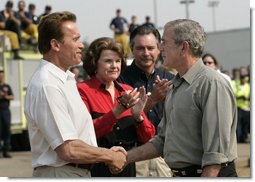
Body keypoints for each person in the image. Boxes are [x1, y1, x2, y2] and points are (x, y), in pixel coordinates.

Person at [118, 19, 238, 177]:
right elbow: (162, 140)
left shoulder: (211, 83)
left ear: (183, 47)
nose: (160, 48)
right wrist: (124, 157)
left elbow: (215, 157)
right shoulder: (175, 86)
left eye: (164, 42)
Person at [24, 11, 127, 177]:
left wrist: (102, 153)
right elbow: (68, 149)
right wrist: (109, 156)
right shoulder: (48, 85)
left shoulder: (64, 80)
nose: (81, 45)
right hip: (62, 173)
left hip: (72, 172)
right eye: (75, 39)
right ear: (55, 45)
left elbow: (76, 139)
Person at [77, 37, 155, 177]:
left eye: (118, 61)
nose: (114, 66)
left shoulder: (128, 91)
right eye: (108, 61)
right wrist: (119, 109)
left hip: (127, 168)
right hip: (95, 170)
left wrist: (138, 117)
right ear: (94, 63)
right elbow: (85, 133)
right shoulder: (82, 90)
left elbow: (148, 138)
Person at [118, 24, 174, 177]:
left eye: (150, 48)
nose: (146, 53)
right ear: (131, 48)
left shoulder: (170, 80)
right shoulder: (120, 80)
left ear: (159, 48)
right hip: (134, 156)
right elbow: (123, 121)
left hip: (165, 156)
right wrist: (153, 99)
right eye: (140, 48)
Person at [0, 69, 14, 158]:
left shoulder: (7, 86)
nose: (1, 77)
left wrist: (5, 96)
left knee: (7, 130)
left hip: (5, 111)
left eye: (2, 75)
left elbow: (12, 96)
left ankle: (6, 151)